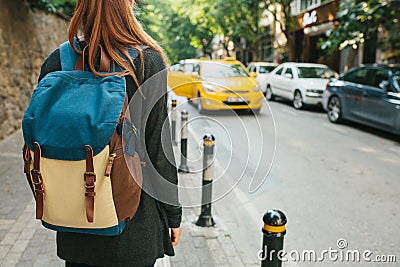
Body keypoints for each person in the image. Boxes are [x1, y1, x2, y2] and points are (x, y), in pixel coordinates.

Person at [37, 0, 182, 266]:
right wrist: (173, 215)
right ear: (128, 5)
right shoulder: (146, 62)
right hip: (134, 226)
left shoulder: (58, 61)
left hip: (76, 222)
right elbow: (158, 151)